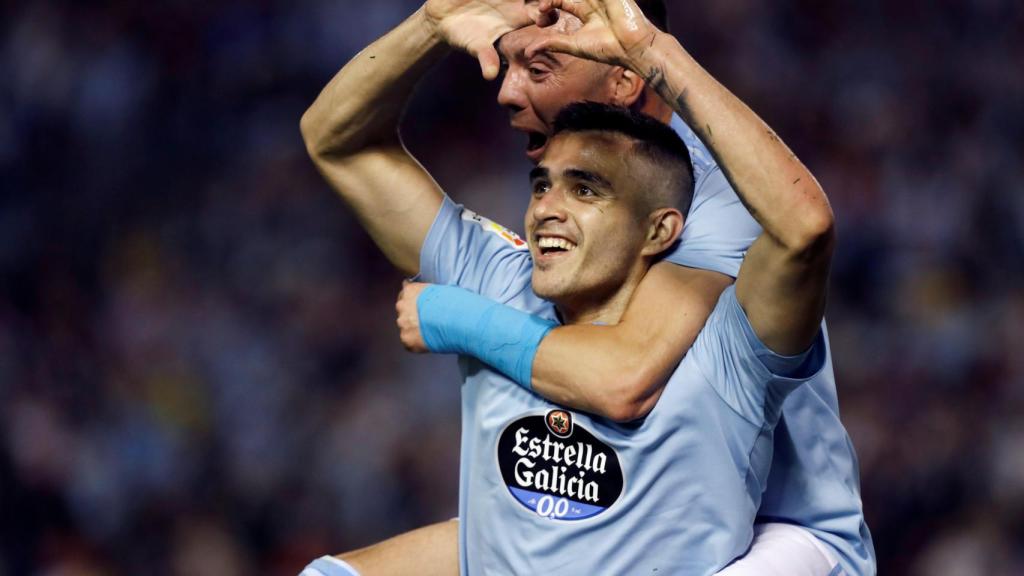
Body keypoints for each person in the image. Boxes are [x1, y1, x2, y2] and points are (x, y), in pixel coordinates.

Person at [296, 0, 849, 573]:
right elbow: (337, 140)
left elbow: (623, 378)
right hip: (603, 523)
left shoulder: (729, 196)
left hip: (776, 533)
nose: (506, 93)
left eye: (539, 69)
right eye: (543, 187)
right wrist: (431, 25)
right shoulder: (513, 267)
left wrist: (450, 315)